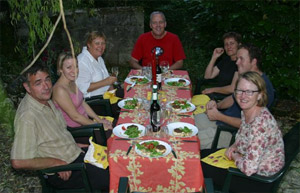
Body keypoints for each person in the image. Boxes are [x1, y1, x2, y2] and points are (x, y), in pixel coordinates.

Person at [10, 63, 109, 191]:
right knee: (112, 177)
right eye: (38, 83)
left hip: (74, 153)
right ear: (27, 87)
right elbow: (18, 161)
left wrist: (75, 144)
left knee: (114, 159)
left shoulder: (46, 101)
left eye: (47, 80)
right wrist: (56, 162)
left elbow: (56, 134)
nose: (46, 86)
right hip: (64, 170)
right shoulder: (28, 116)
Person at [201, 71, 284, 193]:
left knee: (200, 167)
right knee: (200, 154)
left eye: (250, 92)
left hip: (258, 180)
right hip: (248, 161)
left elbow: (249, 169)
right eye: (239, 90)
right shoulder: (249, 111)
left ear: (260, 95)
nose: (243, 96)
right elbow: (244, 135)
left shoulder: (260, 124)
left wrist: (235, 155)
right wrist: (234, 146)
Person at [195, 43, 274, 149]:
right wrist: (216, 106)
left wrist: (219, 116)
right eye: (237, 59)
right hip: (222, 120)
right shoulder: (247, 79)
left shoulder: (262, 88)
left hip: (234, 134)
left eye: (241, 59)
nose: (237, 62)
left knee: (186, 139)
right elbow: (232, 99)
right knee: (187, 121)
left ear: (254, 62)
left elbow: (251, 125)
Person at [52, 52, 112, 129]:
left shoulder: (71, 82)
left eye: (76, 66)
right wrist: (99, 126)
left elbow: (82, 103)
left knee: (117, 124)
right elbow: (75, 117)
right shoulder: (59, 90)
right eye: (69, 67)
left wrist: (99, 120)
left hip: (87, 123)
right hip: (77, 130)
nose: (74, 71)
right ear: (60, 69)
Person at [76, 31, 120, 98]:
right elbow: (82, 88)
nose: (101, 46)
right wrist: (106, 82)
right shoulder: (82, 61)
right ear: (89, 44)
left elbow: (109, 82)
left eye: (103, 43)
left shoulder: (99, 58)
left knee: (129, 95)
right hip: (93, 101)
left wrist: (113, 97)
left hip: (106, 96)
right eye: (97, 43)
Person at [201, 32, 241, 97]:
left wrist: (212, 89)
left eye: (232, 43)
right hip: (217, 95)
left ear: (239, 45)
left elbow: (232, 89)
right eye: (226, 44)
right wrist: (214, 57)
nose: (229, 47)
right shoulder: (226, 60)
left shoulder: (240, 63)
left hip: (229, 99)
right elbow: (207, 76)